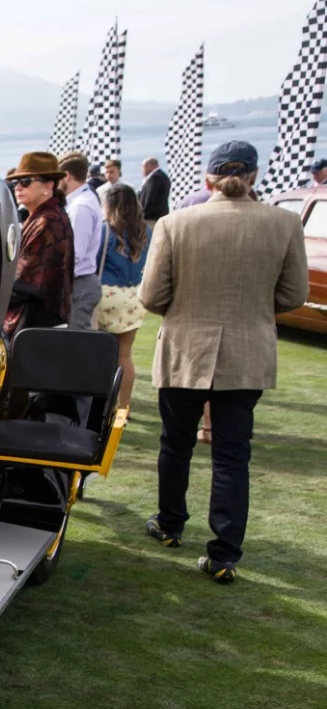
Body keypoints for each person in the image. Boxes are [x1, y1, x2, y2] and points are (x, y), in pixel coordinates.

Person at [140, 141, 308, 584]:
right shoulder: (284, 222)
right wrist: (252, 308)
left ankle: (170, 524)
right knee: (233, 455)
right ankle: (224, 553)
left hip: (184, 348)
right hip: (247, 350)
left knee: (175, 443)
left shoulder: (176, 223)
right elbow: (294, 295)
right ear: (254, 176)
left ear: (208, 178)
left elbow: (152, 295)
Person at [4, 152, 74, 336]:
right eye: (15, 182)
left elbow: (27, 281)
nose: (18, 187)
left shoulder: (48, 221)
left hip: (37, 325)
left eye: (25, 181)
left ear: (48, 186)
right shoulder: (40, 217)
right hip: (36, 322)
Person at [95, 184, 152, 410]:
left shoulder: (105, 230)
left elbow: (93, 260)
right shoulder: (145, 231)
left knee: (99, 354)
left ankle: (99, 407)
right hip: (133, 297)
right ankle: (123, 407)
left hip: (106, 295)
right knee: (125, 356)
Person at [58, 153, 104, 329]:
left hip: (78, 284)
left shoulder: (80, 207)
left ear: (67, 176)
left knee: (74, 345)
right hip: (79, 282)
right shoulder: (82, 201)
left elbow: (74, 254)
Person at [140, 158, 171, 228]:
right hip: (161, 217)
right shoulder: (163, 177)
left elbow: (149, 199)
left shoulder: (154, 178)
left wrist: (142, 216)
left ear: (149, 166)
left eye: (143, 167)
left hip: (152, 219)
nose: (142, 171)